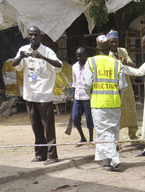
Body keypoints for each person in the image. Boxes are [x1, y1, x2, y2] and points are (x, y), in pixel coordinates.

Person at [11, 25, 62, 165]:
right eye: (31, 35)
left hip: (44, 95)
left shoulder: (47, 51)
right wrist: (20, 57)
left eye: (36, 35)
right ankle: (40, 154)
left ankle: (52, 156)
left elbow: (59, 65)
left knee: (48, 126)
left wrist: (43, 57)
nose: (33, 37)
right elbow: (14, 64)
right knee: (35, 125)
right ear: (28, 36)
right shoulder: (23, 50)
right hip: (30, 95)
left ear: (40, 36)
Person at [83, 34, 127, 172]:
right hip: (114, 102)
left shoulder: (91, 62)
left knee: (102, 132)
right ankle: (105, 162)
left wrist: (91, 94)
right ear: (109, 47)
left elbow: (87, 84)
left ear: (97, 47)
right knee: (113, 132)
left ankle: (114, 159)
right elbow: (123, 85)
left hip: (98, 103)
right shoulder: (117, 63)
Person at [107, 30, 139, 141]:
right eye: (112, 42)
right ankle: (115, 138)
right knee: (116, 111)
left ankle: (133, 134)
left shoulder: (122, 51)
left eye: (115, 41)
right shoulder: (106, 54)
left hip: (126, 85)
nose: (114, 44)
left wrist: (126, 62)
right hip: (113, 86)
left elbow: (132, 64)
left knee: (130, 107)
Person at [71, 47, 93, 146]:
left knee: (89, 119)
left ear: (85, 55)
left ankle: (91, 139)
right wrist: (73, 96)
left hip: (88, 97)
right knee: (75, 118)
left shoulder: (90, 66)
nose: (79, 58)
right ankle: (82, 138)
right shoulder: (74, 67)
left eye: (81, 56)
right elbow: (74, 83)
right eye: (77, 56)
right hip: (77, 97)